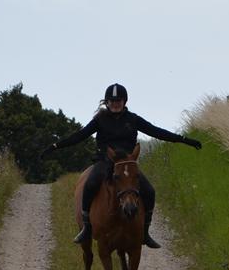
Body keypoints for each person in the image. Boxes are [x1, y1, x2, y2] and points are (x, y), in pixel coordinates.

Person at [40, 83, 202, 248]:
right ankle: (87, 227)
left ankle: (145, 232)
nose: (115, 104)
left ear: (125, 101)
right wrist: (55, 147)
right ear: (107, 102)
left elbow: (157, 132)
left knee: (149, 191)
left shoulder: (133, 119)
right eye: (112, 101)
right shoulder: (100, 120)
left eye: (119, 101)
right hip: (105, 161)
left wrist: (184, 140)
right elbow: (79, 136)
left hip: (128, 164)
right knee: (90, 184)